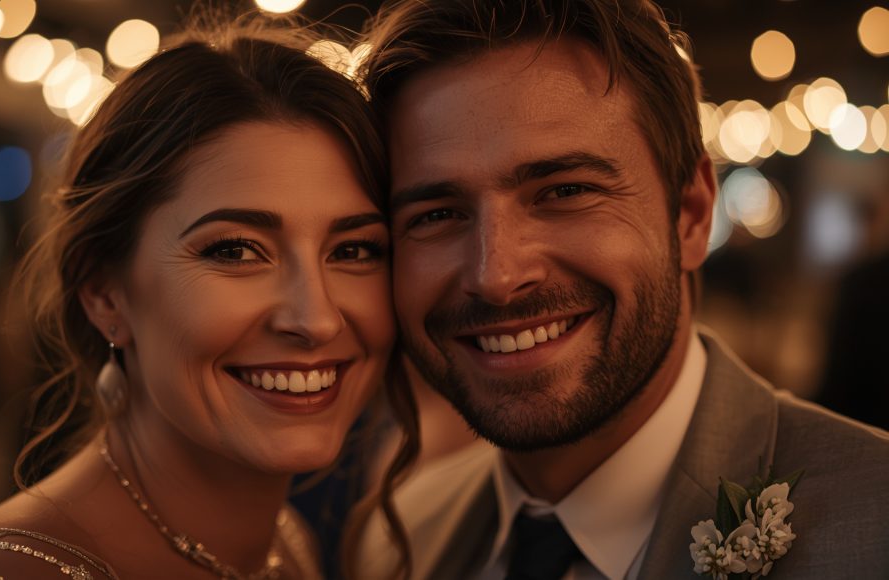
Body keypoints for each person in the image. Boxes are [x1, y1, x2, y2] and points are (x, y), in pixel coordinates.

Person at [352, 1, 889, 578]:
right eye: (436, 215)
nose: (497, 276)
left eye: (564, 191)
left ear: (690, 213)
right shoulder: (401, 538)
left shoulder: (873, 523)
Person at [0, 15, 414, 580]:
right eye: (236, 251)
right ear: (104, 295)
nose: (315, 318)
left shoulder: (288, 545)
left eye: (355, 250)